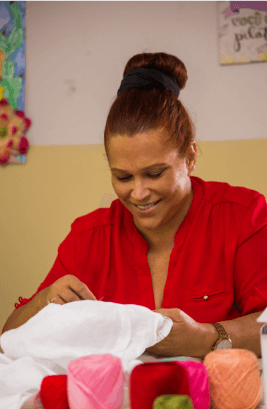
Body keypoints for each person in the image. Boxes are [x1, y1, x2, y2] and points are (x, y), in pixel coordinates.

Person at [2, 52, 267, 359]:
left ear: (190, 157)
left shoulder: (244, 217)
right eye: (123, 177)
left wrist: (206, 337)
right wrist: (45, 302)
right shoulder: (88, 238)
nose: (138, 193)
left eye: (154, 174)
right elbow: (8, 340)